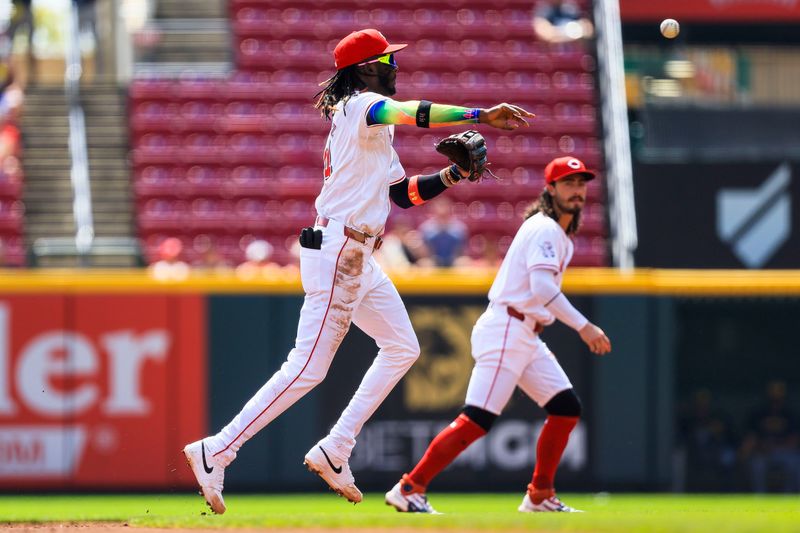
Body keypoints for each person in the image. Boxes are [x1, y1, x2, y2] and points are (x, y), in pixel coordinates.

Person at [182, 28, 535, 514]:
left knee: (402, 347)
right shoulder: (359, 105)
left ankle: (336, 447)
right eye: (388, 60)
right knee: (306, 368)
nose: (395, 66)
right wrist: (479, 114)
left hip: (359, 253)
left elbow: (401, 195)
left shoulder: (370, 124)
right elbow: (412, 112)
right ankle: (217, 449)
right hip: (339, 249)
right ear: (368, 68)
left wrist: (453, 176)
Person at [384, 156, 611, 514]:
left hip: (525, 332)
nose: (577, 190)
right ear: (550, 189)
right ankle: (410, 487)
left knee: (566, 409)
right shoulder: (546, 228)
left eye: (581, 184)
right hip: (509, 327)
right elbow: (540, 286)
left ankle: (539, 495)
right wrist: (584, 326)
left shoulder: (557, 232)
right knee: (477, 419)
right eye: (568, 183)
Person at [740, 380, 800, 493]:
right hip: (763, 452)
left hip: (784, 451)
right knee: (757, 465)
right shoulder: (759, 413)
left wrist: (780, 446)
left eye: (779, 392)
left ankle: (790, 497)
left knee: (795, 463)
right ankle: (760, 497)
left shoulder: (790, 413)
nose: (776, 395)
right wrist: (759, 447)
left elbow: (795, 439)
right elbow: (751, 438)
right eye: (773, 391)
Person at [419, 198, 468, 267]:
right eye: (439, 206)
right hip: (433, 260)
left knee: (464, 262)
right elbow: (424, 250)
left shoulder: (460, 227)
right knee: (424, 263)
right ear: (434, 209)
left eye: (444, 206)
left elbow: (462, 249)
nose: (442, 209)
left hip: (453, 260)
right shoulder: (426, 227)